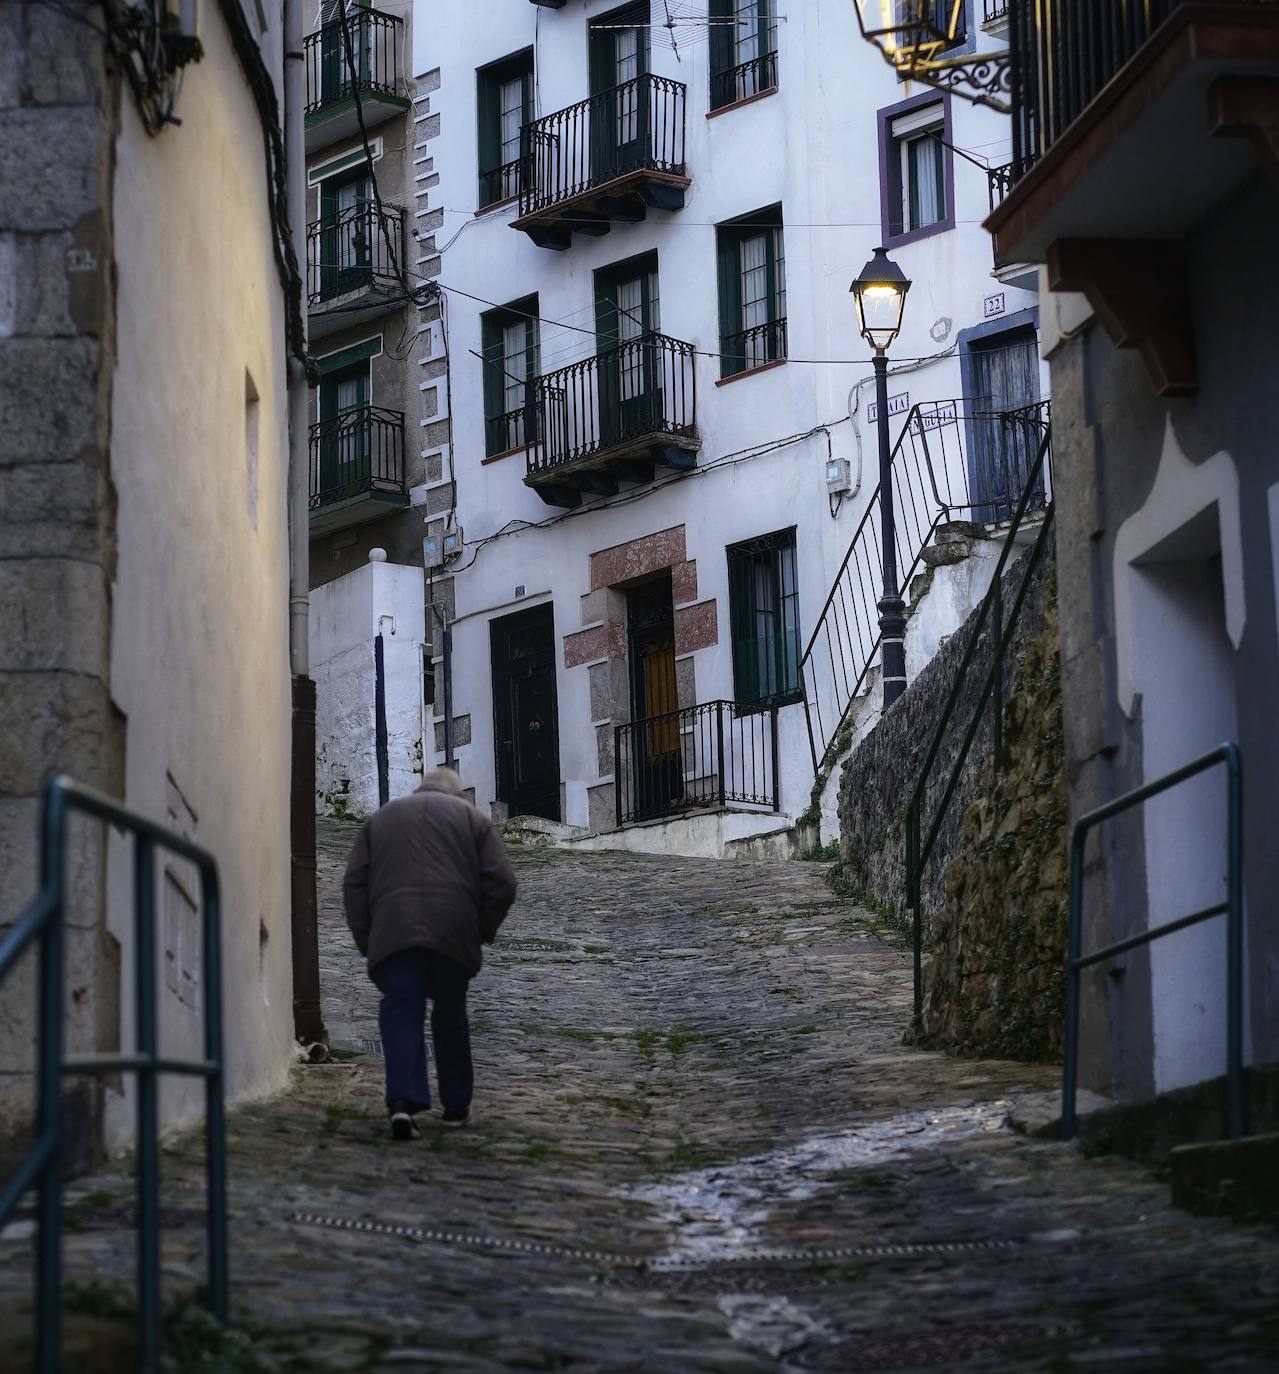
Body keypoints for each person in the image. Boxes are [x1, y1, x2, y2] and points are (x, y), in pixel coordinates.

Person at [343, 767, 517, 1139]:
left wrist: (368, 939)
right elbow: (502, 882)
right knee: (450, 1010)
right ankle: (455, 1104)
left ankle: (403, 1103)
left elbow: (354, 883)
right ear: (457, 795)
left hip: (394, 931)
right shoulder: (473, 819)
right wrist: (481, 928)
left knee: (402, 1009)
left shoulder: (382, 818)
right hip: (453, 932)